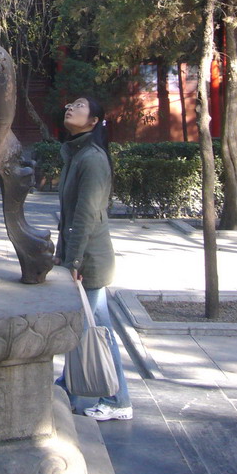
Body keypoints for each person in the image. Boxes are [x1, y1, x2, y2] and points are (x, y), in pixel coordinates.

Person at [55, 95, 132, 421]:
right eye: (70, 104)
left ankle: (118, 400)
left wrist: (73, 261)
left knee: (98, 329)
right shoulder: (76, 153)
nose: (71, 107)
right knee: (83, 325)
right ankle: (69, 386)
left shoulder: (92, 159)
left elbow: (85, 215)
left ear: (93, 122)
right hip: (80, 255)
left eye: (80, 106)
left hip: (90, 260)